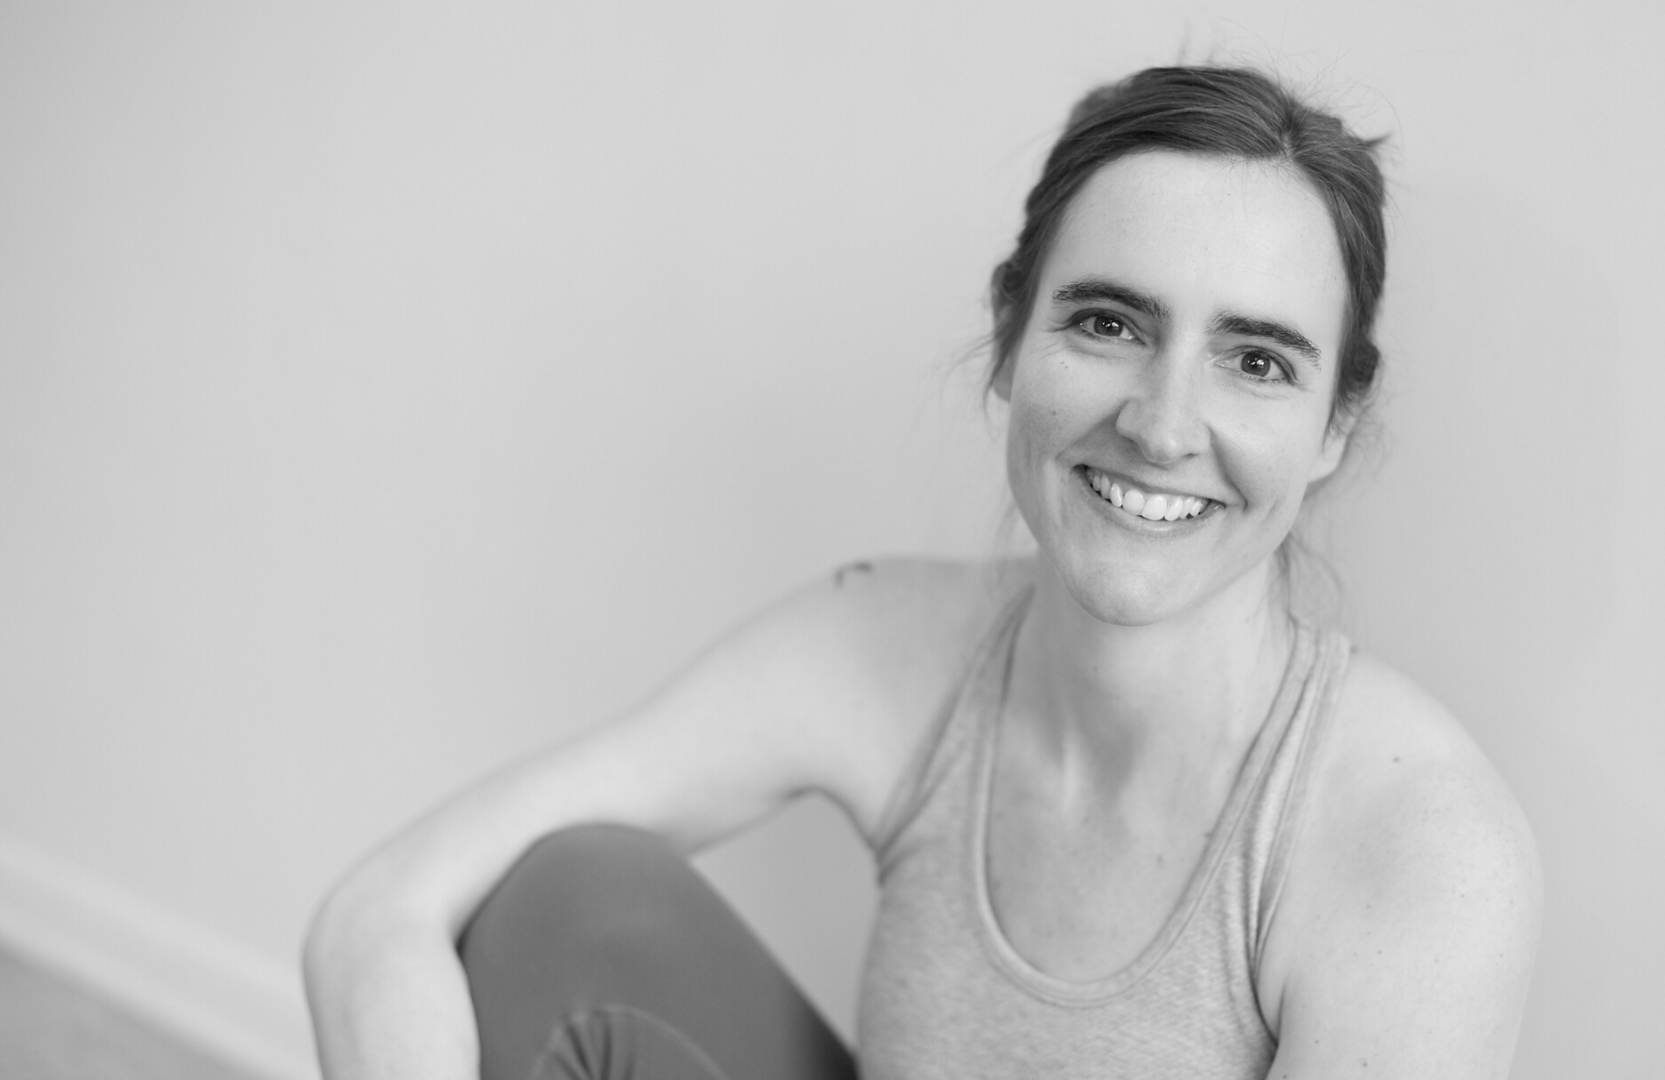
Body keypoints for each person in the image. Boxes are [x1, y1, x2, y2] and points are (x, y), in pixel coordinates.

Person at [303, 65, 1542, 1080]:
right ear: (1009, 339)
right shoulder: (888, 647)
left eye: (1255, 361)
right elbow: (382, 911)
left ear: (1332, 427)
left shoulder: (1419, 847)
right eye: (1108, 323)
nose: (1163, 426)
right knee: (576, 899)